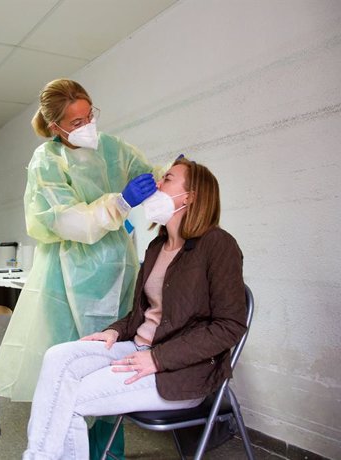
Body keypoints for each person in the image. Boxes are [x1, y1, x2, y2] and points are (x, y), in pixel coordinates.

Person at [21, 158, 247, 459]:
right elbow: (141, 315)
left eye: (167, 178)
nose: (156, 184)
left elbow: (229, 326)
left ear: (191, 196)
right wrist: (114, 331)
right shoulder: (157, 247)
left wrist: (158, 358)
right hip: (136, 349)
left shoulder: (218, 245)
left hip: (180, 371)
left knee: (68, 400)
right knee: (57, 357)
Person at [0, 78, 160, 457]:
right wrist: (118, 204)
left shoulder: (113, 149)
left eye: (90, 115)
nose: (88, 126)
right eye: (76, 121)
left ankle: (110, 453)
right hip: (66, 281)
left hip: (117, 272)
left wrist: (168, 181)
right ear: (55, 127)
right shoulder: (46, 162)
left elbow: (148, 175)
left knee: (110, 367)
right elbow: (63, 220)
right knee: (72, 373)